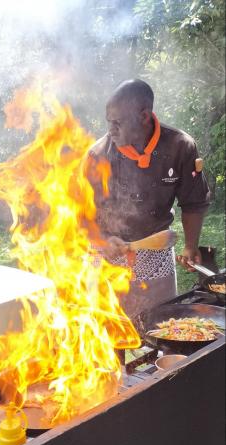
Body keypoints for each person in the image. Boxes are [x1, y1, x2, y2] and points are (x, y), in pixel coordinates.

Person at [86, 79, 211, 317]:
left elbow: (194, 202)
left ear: (144, 116)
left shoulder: (180, 146)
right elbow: (80, 214)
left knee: (163, 324)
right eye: (108, 122)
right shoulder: (98, 156)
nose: (110, 129)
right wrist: (102, 240)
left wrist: (190, 245)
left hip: (156, 247)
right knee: (108, 332)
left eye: (117, 123)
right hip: (106, 253)